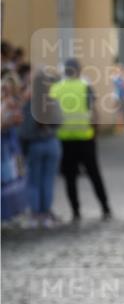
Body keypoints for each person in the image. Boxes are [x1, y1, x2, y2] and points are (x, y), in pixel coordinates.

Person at [49, 58, 112, 223]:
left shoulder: (55, 88)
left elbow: (51, 114)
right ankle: (105, 208)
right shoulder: (85, 86)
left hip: (64, 138)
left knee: (70, 177)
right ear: (78, 70)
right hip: (85, 138)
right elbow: (94, 112)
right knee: (94, 174)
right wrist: (95, 131)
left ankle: (75, 212)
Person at [19, 68, 63, 227]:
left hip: (35, 145)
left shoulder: (28, 104)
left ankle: (35, 214)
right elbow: (59, 122)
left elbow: (23, 130)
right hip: (51, 143)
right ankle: (46, 213)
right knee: (48, 180)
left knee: (33, 181)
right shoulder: (52, 102)